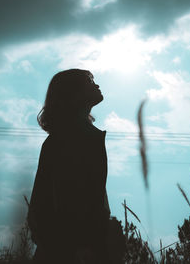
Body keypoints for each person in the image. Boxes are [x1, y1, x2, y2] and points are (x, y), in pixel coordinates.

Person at [28, 69, 111, 264]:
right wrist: (83, 244)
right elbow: (67, 197)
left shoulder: (68, 137)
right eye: (89, 83)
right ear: (73, 95)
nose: (97, 85)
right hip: (73, 250)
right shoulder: (74, 138)